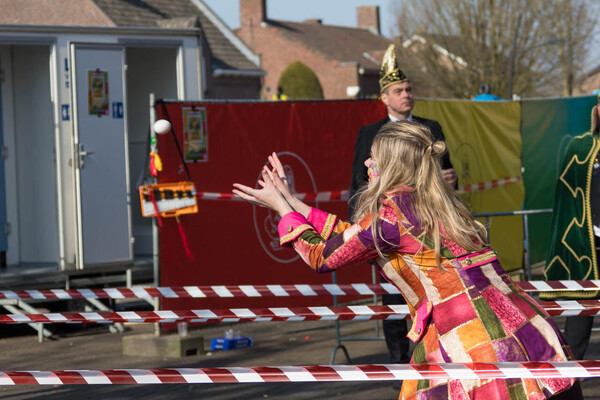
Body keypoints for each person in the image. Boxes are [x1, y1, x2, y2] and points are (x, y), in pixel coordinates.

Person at [233, 121, 581, 399]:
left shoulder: (391, 217)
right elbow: (353, 237)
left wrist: (281, 209)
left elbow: (322, 256)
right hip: (529, 333)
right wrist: (293, 202)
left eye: (373, 158)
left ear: (391, 167)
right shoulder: (439, 204)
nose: (367, 164)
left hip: (474, 348)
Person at [349, 43, 457, 371]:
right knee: (396, 300)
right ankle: (399, 365)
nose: (406, 94)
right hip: (391, 232)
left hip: (431, 230)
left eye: (409, 89)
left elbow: (451, 178)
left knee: (439, 296)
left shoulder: (431, 128)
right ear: (384, 97)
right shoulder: (369, 134)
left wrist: (448, 181)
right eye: (399, 90)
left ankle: (440, 361)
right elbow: (357, 186)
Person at [542, 93, 600, 360]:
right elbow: (565, 206)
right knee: (577, 334)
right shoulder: (580, 148)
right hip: (586, 250)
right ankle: (570, 386)